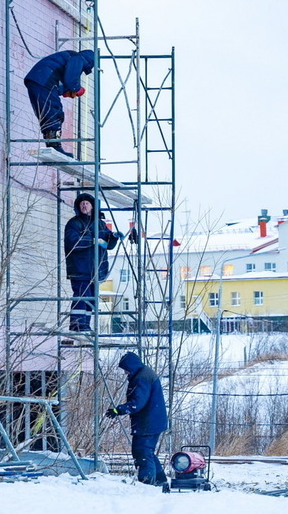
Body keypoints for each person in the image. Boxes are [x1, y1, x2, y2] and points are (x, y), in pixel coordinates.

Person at [105, 351, 168, 486]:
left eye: (126, 369)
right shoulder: (144, 373)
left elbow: (137, 403)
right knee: (147, 452)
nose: (125, 373)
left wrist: (118, 410)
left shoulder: (141, 378)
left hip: (148, 422)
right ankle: (160, 481)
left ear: (131, 366)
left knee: (142, 453)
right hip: (153, 421)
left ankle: (147, 484)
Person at [64, 193, 121, 332]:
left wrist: (114, 237)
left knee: (91, 300)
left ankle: (85, 325)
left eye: (87, 203)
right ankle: (77, 325)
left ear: (92, 206)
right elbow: (73, 242)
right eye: (82, 203)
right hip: (80, 269)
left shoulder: (99, 224)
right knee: (81, 297)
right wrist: (92, 241)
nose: (84, 205)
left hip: (95, 270)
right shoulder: (74, 223)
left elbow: (108, 244)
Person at [24, 49, 95, 158]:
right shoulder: (79, 59)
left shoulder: (69, 57)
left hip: (38, 80)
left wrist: (66, 90)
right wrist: (77, 88)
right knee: (54, 112)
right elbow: (71, 80)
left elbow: (63, 77)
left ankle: (51, 144)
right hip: (44, 80)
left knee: (46, 114)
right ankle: (54, 146)